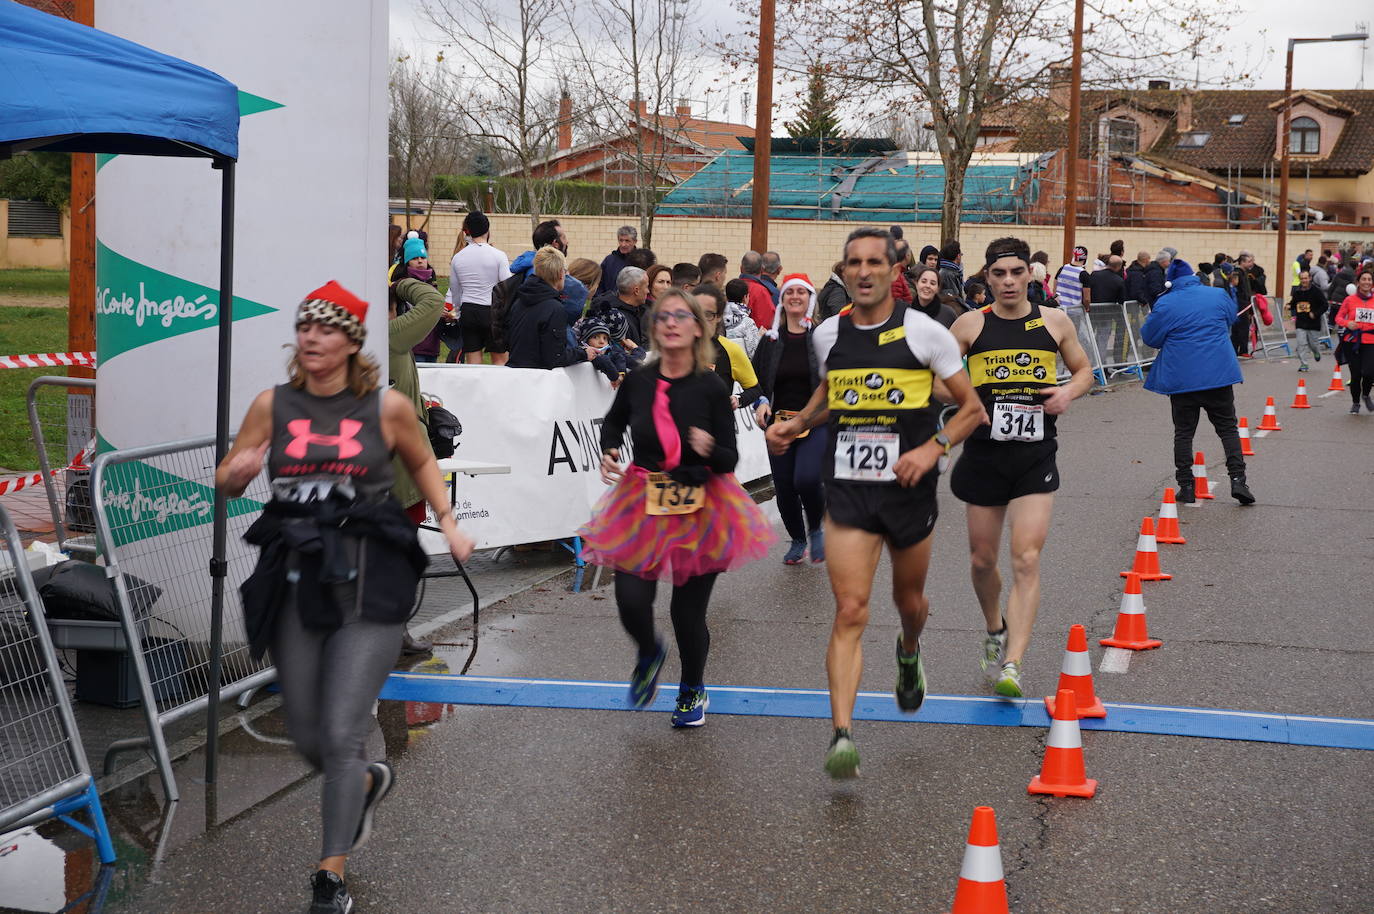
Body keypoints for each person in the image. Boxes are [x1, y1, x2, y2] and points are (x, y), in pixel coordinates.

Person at [218, 281, 475, 914]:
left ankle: (329, 875)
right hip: (298, 578)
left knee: (339, 732)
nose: (312, 338)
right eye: (305, 327)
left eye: (327, 329)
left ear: (352, 342)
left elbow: (420, 462)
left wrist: (446, 517)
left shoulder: (385, 407)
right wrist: (238, 472)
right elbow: (228, 475)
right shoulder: (270, 405)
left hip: (371, 579)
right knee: (307, 732)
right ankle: (362, 781)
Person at [765, 228, 983, 778]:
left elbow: (971, 410)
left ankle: (909, 652)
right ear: (844, 271)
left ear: (894, 270)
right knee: (851, 609)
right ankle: (842, 734)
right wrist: (797, 424)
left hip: (909, 491)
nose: (863, 272)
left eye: (874, 263)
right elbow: (829, 392)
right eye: (853, 263)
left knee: (909, 601)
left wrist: (931, 449)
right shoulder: (826, 334)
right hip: (849, 490)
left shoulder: (925, 333)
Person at [580, 288, 775, 728]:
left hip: (701, 503)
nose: (670, 323)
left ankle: (691, 690)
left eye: (681, 317)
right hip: (643, 498)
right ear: (654, 327)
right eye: (663, 316)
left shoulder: (709, 386)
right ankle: (649, 650)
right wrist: (610, 447)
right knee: (631, 600)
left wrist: (708, 448)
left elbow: (729, 458)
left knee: (686, 614)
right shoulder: (639, 381)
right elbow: (615, 420)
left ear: (696, 329)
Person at [948, 237, 1093, 698]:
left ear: (1030, 274)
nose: (1008, 281)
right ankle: (995, 627)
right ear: (986, 277)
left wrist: (1068, 392)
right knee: (982, 559)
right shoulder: (969, 325)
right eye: (999, 274)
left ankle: (1013, 662)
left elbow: (1085, 371)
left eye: (1016, 272)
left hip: (1034, 456)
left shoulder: (1055, 321)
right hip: (984, 456)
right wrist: (966, 399)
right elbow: (935, 383)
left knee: (1026, 558)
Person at [1140, 260, 1255, 505]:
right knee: (1228, 429)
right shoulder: (1217, 295)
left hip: (1182, 378)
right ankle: (1238, 480)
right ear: (1193, 276)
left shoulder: (1166, 302)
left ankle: (1187, 486)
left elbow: (1150, 337)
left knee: (1184, 433)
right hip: (1219, 375)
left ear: (1170, 281)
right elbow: (1231, 318)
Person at [386, 244, 448, 655]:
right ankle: (391, 634)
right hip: (397, 473)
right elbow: (433, 298)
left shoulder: (384, 339)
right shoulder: (388, 337)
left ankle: (391, 632)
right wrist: (400, 280)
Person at [752, 274, 826, 565]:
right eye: (789, 292)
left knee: (806, 478)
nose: (795, 296)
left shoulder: (821, 337)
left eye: (801, 292)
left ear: (810, 299)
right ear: (781, 300)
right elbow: (754, 380)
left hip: (816, 421)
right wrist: (761, 401)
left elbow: (835, 378)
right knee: (784, 485)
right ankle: (797, 539)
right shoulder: (771, 340)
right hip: (779, 425)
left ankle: (817, 527)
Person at [506, 247, 597, 370]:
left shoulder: (519, 302)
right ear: (561, 274)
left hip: (517, 373)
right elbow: (555, 358)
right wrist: (583, 353)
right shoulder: (554, 309)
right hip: (538, 379)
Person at [448, 211, 512, 365]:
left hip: (468, 310)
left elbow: (455, 290)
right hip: (492, 311)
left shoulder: (458, 258)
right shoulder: (498, 255)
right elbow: (506, 287)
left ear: (467, 230)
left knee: (473, 361)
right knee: (500, 359)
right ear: (487, 229)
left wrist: (457, 311)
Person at [697, 283, 764, 411]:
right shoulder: (678, 347)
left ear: (719, 316)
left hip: (717, 426)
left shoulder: (730, 349)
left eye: (708, 315)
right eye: (696, 314)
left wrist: (737, 399)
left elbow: (755, 389)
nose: (701, 321)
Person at [1334, 269, 1374, 414]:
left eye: (1369, 279)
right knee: (1356, 375)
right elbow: (1338, 318)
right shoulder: (1349, 300)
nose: (1367, 282)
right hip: (1353, 341)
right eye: (1364, 279)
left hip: (1371, 341)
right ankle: (1355, 403)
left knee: (1369, 372)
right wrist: (1347, 323)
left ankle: (1366, 394)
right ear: (1358, 282)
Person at [589, 265, 651, 350]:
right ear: (636, 290)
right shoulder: (614, 319)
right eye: (647, 286)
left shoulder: (645, 309)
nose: (648, 291)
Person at [1086, 255, 1128, 364]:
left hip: (1091, 312)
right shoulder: (1118, 280)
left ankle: (1089, 363)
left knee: (1090, 339)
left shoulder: (1094, 275)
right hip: (1107, 315)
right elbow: (1121, 300)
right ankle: (1101, 365)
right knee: (1102, 341)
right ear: (1118, 267)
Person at [1288, 270, 1328, 372]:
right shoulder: (1297, 291)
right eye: (1302, 279)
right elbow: (1294, 303)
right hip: (1301, 322)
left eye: (1305, 278)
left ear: (1310, 278)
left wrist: (1315, 313)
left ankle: (1316, 352)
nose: (1304, 280)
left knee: (1313, 344)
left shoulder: (1316, 291)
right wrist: (1289, 305)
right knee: (1301, 343)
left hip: (1313, 323)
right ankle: (1304, 364)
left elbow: (1325, 305)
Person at [721, 278, 762, 357]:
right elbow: (754, 353)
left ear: (726, 297)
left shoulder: (717, 318)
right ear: (745, 297)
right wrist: (760, 337)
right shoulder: (747, 323)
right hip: (739, 365)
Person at [738, 250, 778, 328]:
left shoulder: (730, 287)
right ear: (762, 270)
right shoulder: (761, 292)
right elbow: (767, 324)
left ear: (741, 268)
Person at [597, 225, 638, 296]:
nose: (623, 244)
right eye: (621, 240)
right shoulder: (608, 261)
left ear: (635, 241)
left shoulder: (640, 261)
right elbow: (599, 284)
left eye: (627, 241)